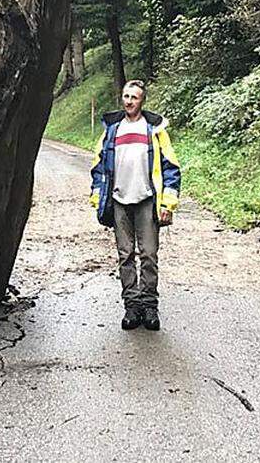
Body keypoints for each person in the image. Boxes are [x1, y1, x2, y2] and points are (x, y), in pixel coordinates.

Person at [89, 80, 181, 331]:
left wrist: (168, 203)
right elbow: (98, 168)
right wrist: (98, 198)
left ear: (142, 101)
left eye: (135, 97)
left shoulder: (155, 130)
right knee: (125, 255)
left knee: (149, 255)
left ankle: (149, 306)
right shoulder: (112, 130)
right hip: (119, 201)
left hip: (147, 201)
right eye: (126, 96)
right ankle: (132, 306)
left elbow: (171, 168)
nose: (129, 101)